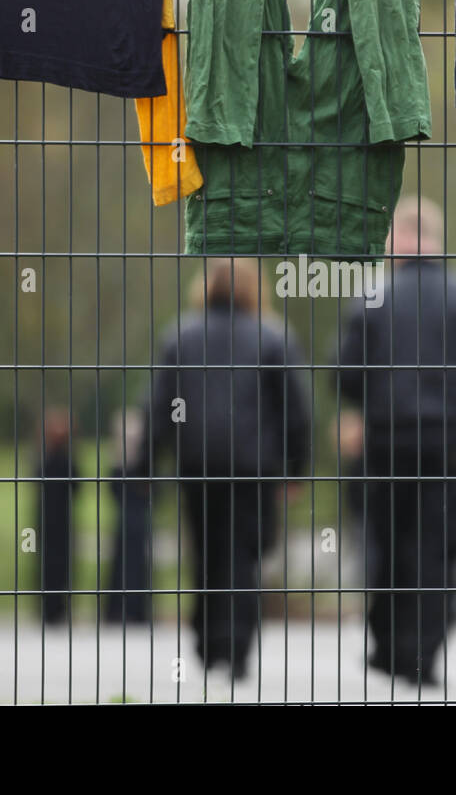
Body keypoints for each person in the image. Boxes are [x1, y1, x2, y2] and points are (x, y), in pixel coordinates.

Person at [337, 197, 456, 685]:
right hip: (447, 445)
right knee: (438, 548)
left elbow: (346, 375)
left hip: (386, 443)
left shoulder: (372, 298)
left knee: (387, 543)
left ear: (397, 241)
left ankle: (388, 645)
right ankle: (424, 651)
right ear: (435, 239)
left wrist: (364, 417)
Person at [121, 259, 311, 679]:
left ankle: (208, 641)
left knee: (206, 552)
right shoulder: (272, 337)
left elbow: (160, 408)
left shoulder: (181, 336)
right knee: (244, 556)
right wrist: (295, 469)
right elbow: (295, 412)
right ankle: (238, 646)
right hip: (252, 468)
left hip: (198, 464)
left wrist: (145, 466)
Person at [104, 408, 152, 624]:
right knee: (121, 567)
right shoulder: (118, 463)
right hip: (125, 523)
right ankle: (118, 610)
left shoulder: (144, 464)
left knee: (138, 567)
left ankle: (137, 610)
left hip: (139, 522)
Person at [36, 408, 75, 625]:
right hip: (59, 520)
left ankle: (53, 609)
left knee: (53, 566)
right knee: (56, 565)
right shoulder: (63, 460)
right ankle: (55, 609)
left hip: (52, 519)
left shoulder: (47, 459)